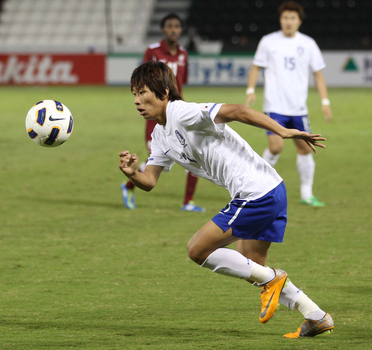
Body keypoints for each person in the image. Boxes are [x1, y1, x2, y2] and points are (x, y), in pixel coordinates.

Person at [119, 61, 334, 338]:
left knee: (197, 249)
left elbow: (238, 111)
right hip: (270, 189)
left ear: (164, 92)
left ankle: (274, 279)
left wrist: (283, 131)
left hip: (256, 193)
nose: (137, 100)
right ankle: (316, 316)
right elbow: (149, 181)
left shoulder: (182, 112)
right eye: (134, 94)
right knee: (253, 266)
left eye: (143, 92)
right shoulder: (160, 134)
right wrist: (132, 173)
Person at [246, 1, 332, 207]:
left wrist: (325, 101)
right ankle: (256, 187)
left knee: (304, 148)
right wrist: (250, 90)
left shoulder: (309, 44)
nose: (288, 22)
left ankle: (306, 194)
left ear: (299, 21)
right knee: (276, 147)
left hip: (298, 108)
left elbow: (318, 75)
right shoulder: (268, 41)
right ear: (280, 20)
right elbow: (256, 67)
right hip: (274, 105)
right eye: (285, 18)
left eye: (293, 18)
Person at [121, 13, 206, 212]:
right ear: (163, 29)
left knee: (195, 150)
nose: (173, 30)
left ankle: (188, 202)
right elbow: (141, 80)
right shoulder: (152, 51)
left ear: (181, 30)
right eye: (169, 26)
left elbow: (181, 85)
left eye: (177, 26)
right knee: (156, 154)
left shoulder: (184, 54)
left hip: (177, 111)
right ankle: (129, 186)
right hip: (155, 113)